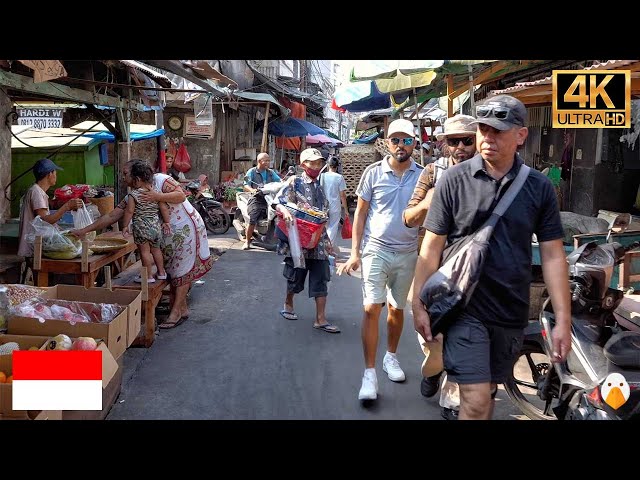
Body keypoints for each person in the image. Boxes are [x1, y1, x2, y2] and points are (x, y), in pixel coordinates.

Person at [411, 95, 572, 420]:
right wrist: (417, 302)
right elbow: (430, 247)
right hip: (462, 310)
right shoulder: (453, 181)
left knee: (488, 394)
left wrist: (563, 320)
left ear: (521, 136)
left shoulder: (538, 188)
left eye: (499, 131)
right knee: (476, 399)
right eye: (484, 129)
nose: (489, 138)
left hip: (510, 312)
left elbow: (554, 256)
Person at [336, 118, 422, 401]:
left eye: (406, 140)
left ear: (414, 143)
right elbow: (360, 213)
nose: (401, 145)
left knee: (397, 310)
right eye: (395, 140)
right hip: (376, 250)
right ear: (387, 142)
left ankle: (391, 357)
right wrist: (355, 252)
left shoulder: (424, 176)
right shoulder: (373, 172)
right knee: (372, 308)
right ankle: (369, 374)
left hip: (408, 253)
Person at [72, 159, 213, 329]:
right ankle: (181, 308)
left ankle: (175, 312)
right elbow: (112, 215)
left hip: (186, 228)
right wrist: (84, 230)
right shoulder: (134, 194)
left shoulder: (161, 180)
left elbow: (181, 195)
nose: (123, 177)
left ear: (137, 176)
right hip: (166, 233)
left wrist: (157, 196)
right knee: (173, 270)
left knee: (181, 270)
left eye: (126, 173)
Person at [402, 113, 478, 421]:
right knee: (432, 335)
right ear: (443, 144)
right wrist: (428, 202)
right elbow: (408, 217)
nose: (460, 147)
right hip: (433, 266)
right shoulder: (432, 173)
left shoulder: (489, 174)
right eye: (453, 141)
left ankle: (452, 398)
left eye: (467, 140)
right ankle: (433, 368)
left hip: (471, 269)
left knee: (462, 334)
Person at [274, 147, 340, 334]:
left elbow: (322, 213)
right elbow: (279, 201)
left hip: (317, 241)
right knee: (296, 277)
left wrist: (328, 243)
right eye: (313, 163)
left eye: (319, 163)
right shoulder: (294, 182)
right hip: (297, 239)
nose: (317, 166)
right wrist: (285, 211)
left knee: (321, 278)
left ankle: (320, 319)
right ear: (303, 165)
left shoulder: (320, 186)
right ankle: (288, 303)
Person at [18, 158, 83, 277]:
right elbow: (46, 220)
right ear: (49, 174)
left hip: (36, 244)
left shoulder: (39, 192)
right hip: (33, 246)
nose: (56, 176)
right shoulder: (36, 192)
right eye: (55, 173)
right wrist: (67, 206)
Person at [121, 160, 171, 284]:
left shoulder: (133, 195)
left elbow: (129, 211)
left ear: (137, 179)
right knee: (156, 250)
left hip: (141, 228)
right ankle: (161, 272)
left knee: (144, 252)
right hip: (155, 227)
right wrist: (167, 222)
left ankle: (148, 276)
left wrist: (125, 225)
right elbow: (163, 208)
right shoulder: (156, 193)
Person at [242, 152, 281, 250]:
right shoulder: (252, 171)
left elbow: (280, 181)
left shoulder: (271, 172)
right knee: (253, 219)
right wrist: (252, 190)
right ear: (259, 161)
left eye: (269, 160)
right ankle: (247, 241)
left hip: (270, 198)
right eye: (266, 160)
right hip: (257, 199)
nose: (268, 162)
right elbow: (246, 184)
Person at [320, 156, 348, 250]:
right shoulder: (339, 177)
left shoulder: (322, 176)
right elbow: (342, 195)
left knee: (325, 226)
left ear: (328, 165)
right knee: (333, 227)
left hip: (323, 205)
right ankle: (329, 247)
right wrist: (346, 210)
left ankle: (325, 246)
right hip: (335, 206)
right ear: (337, 167)